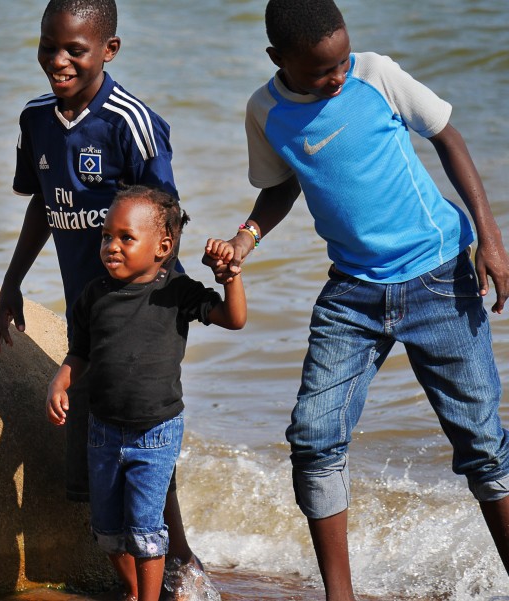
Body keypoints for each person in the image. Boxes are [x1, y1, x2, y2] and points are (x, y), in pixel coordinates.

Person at [205, 0, 509, 599]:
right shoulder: (265, 112)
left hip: (439, 278)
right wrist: (245, 238)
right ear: (277, 59)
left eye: (342, 62)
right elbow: (280, 187)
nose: (338, 77)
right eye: (322, 71)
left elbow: (447, 137)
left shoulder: (376, 74)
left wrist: (491, 239)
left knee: (481, 444)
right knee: (313, 438)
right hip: (353, 294)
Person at [0, 0, 214, 593]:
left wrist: (168, 308)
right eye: (48, 47)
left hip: (145, 313)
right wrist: (12, 282)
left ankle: (180, 566)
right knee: (104, 441)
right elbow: (44, 205)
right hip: (87, 313)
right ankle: (141, 574)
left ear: (108, 50)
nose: (58, 61)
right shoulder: (35, 119)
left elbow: (168, 220)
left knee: (142, 431)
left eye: (75, 50)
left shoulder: (129, 122)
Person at [46, 186, 247, 601]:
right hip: (103, 430)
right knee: (106, 529)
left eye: (126, 237)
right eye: (106, 236)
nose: (111, 246)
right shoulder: (93, 296)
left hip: (156, 432)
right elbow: (80, 353)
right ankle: (133, 590)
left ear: (163, 247)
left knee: (146, 530)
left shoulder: (177, 291)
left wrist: (231, 279)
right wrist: (60, 381)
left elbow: (234, 318)